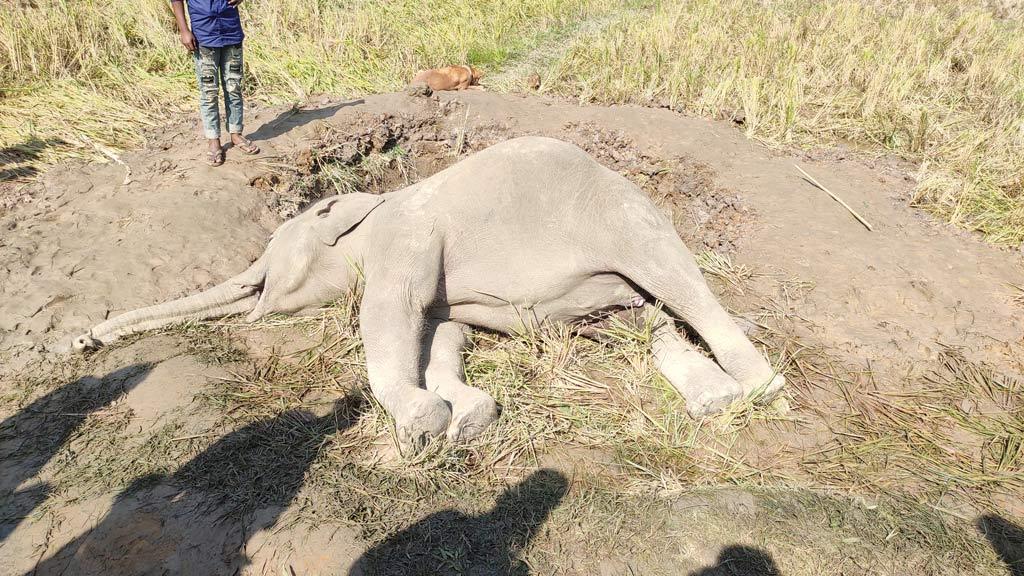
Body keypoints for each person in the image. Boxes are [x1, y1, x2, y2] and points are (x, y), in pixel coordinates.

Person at [171, 0, 260, 166]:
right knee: (209, 91)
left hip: (231, 30)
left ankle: (235, 133)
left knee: (234, 86)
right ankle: (213, 139)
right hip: (204, 35)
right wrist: (184, 30)